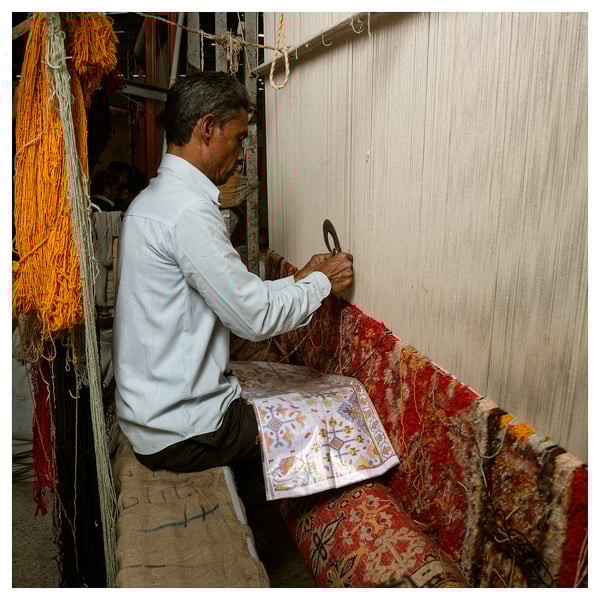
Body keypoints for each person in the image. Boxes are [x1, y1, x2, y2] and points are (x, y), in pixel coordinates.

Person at [112, 72, 353, 518]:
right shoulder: (188, 214)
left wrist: (300, 279)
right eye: (239, 138)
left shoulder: (153, 202)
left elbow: (235, 294)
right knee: (341, 408)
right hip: (182, 432)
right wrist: (323, 284)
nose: (241, 154)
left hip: (149, 415)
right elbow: (253, 318)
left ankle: (268, 514)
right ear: (208, 128)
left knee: (273, 381)